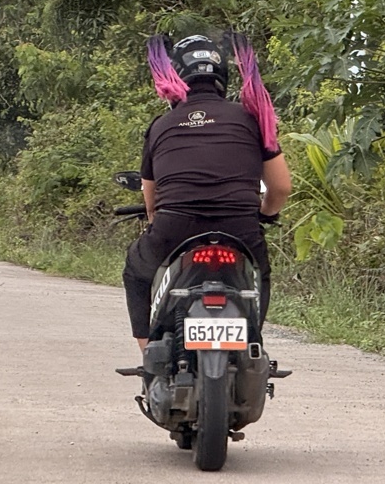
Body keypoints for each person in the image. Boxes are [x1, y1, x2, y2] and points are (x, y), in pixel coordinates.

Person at [122, 32, 292, 352]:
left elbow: (152, 200)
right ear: (221, 76)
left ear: (178, 75)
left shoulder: (161, 125)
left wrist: (157, 219)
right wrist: (265, 214)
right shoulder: (252, 120)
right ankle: (253, 343)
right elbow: (281, 186)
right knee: (259, 275)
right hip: (240, 228)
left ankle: (148, 354)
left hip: (175, 227)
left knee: (137, 270)